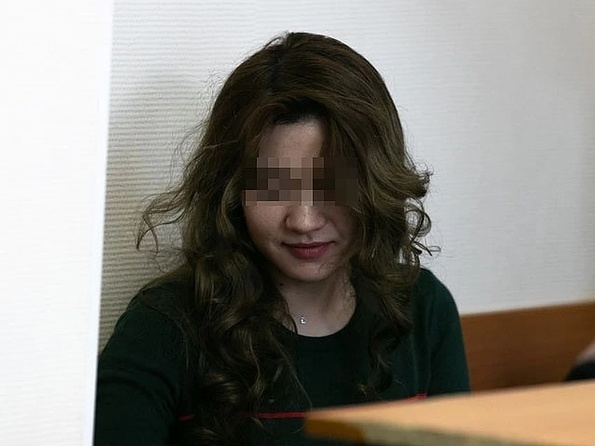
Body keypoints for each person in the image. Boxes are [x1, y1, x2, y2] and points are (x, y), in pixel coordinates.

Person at [95, 31, 470, 446]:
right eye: (273, 187)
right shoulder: (163, 326)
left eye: (331, 185)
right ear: (233, 191)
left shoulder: (424, 310)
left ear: (375, 183)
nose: (304, 220)